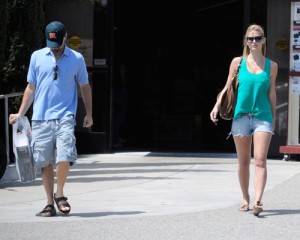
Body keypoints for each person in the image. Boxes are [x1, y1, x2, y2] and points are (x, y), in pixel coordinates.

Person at [9, 21, 93, 217]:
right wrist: (21, 113)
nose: (53, 48)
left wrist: (89, 113)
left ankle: (60, 194)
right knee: (44, 161)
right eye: (50, 43)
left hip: (65, 116)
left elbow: (84, 86)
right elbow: (31, 88)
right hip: (40, 118)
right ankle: (49, 204)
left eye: (57, 43)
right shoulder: (37, 56)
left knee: (65, 155)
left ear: (65, 37)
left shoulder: (77, 58)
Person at [210, 24, 278, 216]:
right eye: (250, 39)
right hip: (240, 117)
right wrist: (216, 106)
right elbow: (227, 87)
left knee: (260, 159)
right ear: (246, 41)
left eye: (257, 38)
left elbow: (271, 93)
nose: (254, 42)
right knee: (243, 162)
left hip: (262, 117)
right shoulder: (237, 62)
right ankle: (245, 198)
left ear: (264, 40)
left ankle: (258, 200)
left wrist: (274, 117)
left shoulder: (271, 66)